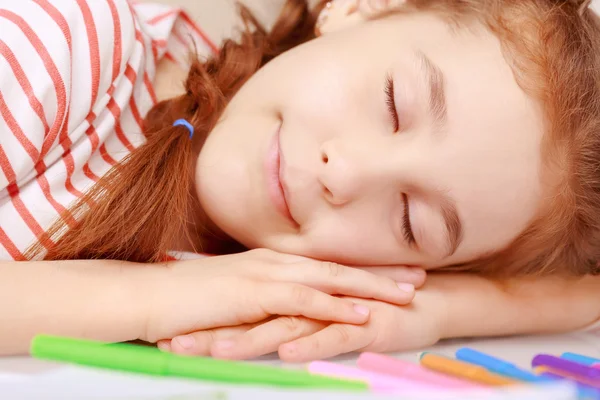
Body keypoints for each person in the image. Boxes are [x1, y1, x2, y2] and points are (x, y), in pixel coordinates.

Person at [1, 0, 599, 361]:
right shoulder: (62, 51)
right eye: (394, 104)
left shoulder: (282, 287)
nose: (350, 174)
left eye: (412, 221)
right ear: (360, 9)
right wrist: (151, 299)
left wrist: (445, 311)